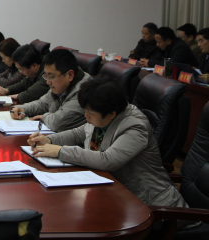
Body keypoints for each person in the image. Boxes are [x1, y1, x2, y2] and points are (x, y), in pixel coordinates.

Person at [28, 75, 187, 208]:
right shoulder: (101, 115)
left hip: (152, 206)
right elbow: (79, 133)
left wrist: (60, 151)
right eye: (85, 110)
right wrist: (49, 139)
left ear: (112, 114)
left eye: (90, 113)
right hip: (117, 196)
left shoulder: (136, 127)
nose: (86, 116)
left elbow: (107, 160)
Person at [11, 49, 89, 132]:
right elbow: (42, 103)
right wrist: (22, 108)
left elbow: (57, 123)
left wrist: (44, 117)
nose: (48, 82)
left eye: (51, 77)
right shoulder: (60, 86)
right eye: (46, 76)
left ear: (70, 75)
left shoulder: (84, 90)